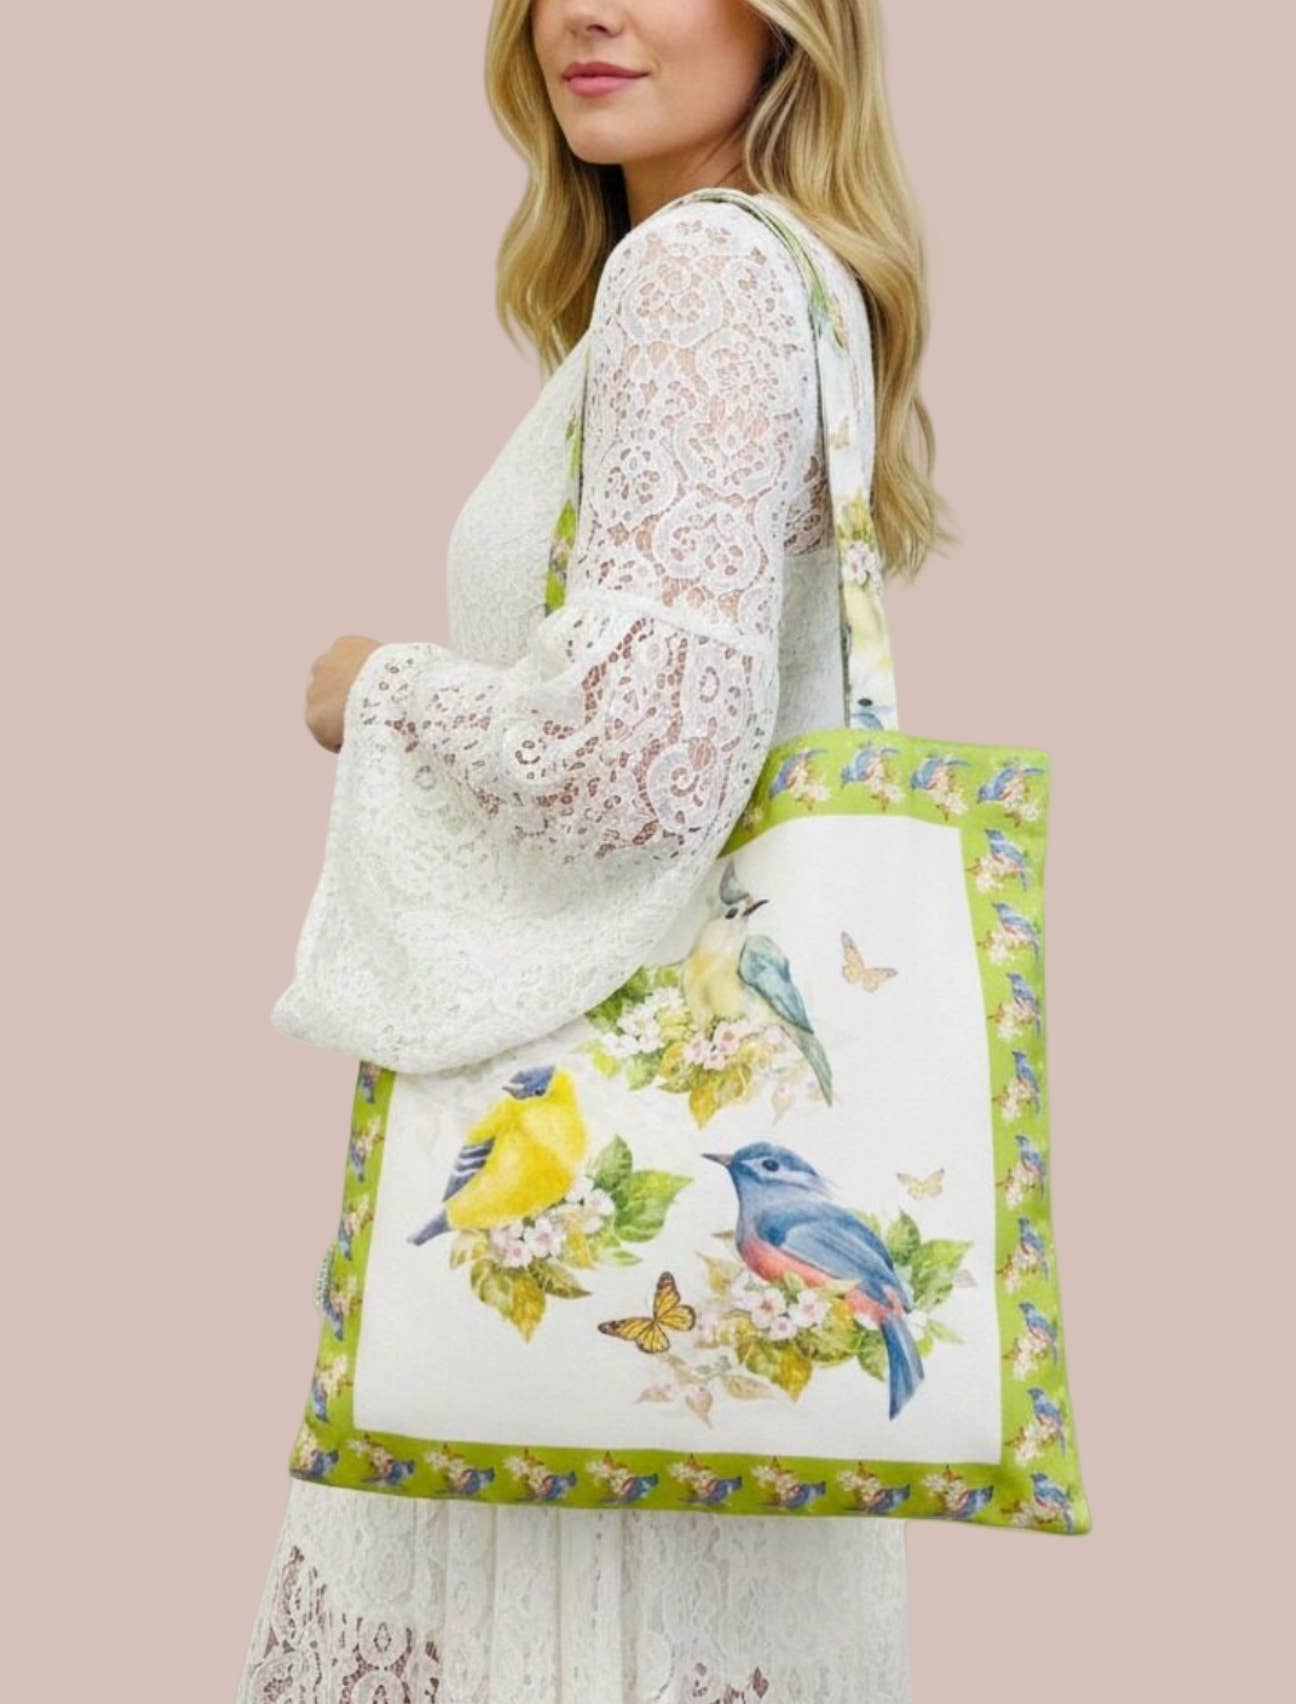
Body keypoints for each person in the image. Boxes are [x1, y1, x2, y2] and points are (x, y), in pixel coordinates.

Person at [235, 1, 951, 1698]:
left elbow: (641, 761)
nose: (593, 10)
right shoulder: (786, 278)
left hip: (592, 1246)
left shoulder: (699, 276)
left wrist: (378, 690)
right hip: (687, 1263)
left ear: (789, 26)